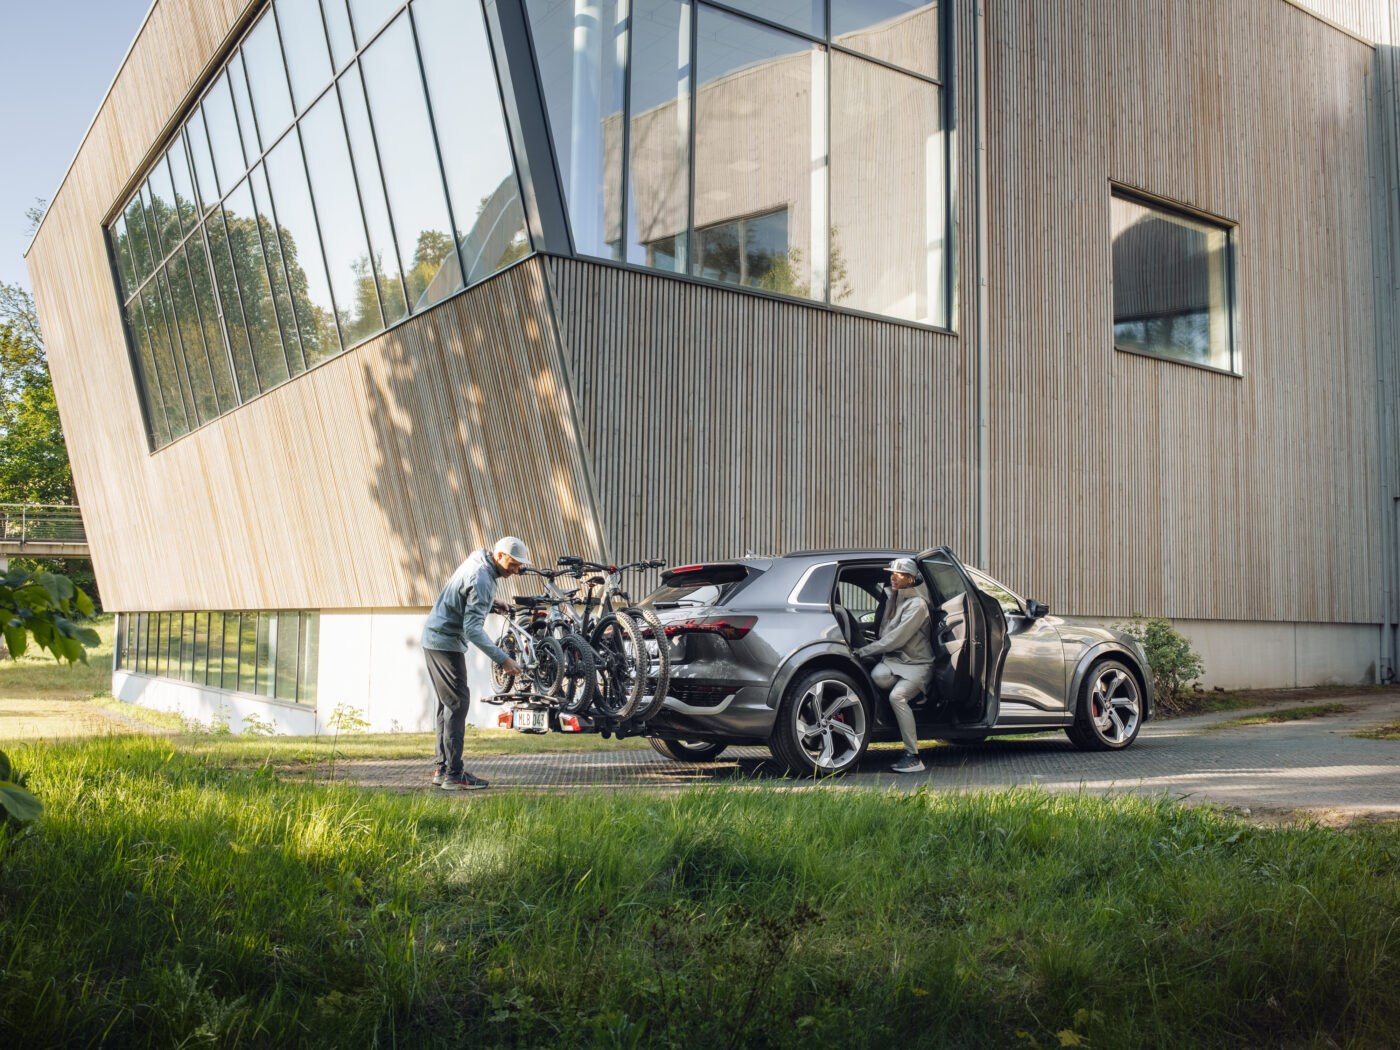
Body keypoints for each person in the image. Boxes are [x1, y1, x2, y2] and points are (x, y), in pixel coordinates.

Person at [421, 536, 530, 790]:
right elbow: (472, 630)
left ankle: (442, 768)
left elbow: (464, 596)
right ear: (500, 555)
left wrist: (492, 604)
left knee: (447, 706)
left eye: (519, 566)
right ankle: (453, 775)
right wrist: (503, 659)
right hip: (444, 643)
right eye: (513, 564)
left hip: (435, 639)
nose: (516, 571)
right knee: (457, 704)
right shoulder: (482, 579)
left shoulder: (478, 561)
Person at [856, 557, 935, 774]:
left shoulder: (917, 605)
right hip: (895, 661)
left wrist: (863, 652)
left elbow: (895, 639)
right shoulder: (894, 598)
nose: (892, 577)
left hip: (918, 664)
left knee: (897, 697)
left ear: (910, 579)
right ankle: (908, 698)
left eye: (898, 574)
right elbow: (884, 632)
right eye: (891, 573)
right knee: (878, 676)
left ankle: (913, 756)